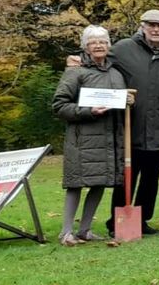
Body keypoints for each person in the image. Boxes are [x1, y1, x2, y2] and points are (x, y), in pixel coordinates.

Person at [104, 9, 159, 236]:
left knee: (151, 178)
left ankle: (142, 219)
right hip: (131, 126)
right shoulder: (123, 49)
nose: (156, 30)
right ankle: (117, 220)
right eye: (151, 25)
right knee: (126, 176)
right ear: (142, 26)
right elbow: (99, 64)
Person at [52, 26, 129, 245]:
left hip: (109, 138)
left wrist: (127, 101)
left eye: (102, 42)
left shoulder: (115, 73)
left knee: (99, 182)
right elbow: (59, 105)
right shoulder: (75, 72)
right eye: (93, 42)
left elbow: (120, 99)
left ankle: (85, 229)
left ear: (108, 45)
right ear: (85, 46)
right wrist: (88, 111)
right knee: (76, 183)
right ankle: (66, 232)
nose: (98, 46)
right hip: (82, 138)